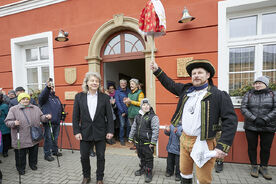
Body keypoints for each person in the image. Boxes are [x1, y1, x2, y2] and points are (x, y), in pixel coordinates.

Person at [150, 59, 238, 184]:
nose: (196, 75)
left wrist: (222, 146)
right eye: (194, 73)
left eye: (200, 72)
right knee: (184, 173)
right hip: (184, 139)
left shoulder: (218, 95)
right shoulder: (186, 90)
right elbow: (170, 84)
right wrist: (157, 70)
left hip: (204, 142)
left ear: (207, 75)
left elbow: (230, 120)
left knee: (203, 179)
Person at [72, 72, 114, 184]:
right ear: (87, 83)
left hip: (100, 132)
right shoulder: (79, 97)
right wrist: (76, 131)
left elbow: (109, 116)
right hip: (84, 132)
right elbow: (75, 116)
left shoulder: (105, 97)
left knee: (101, 156)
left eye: (97, 81)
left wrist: (110, 131)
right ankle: (86, 176)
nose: (95, 83)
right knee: (84, 156)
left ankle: (99, 178)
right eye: (92, 81)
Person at [5, 93, 51, 175]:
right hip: (20, 136)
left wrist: (46, 117)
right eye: (23, 99)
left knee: (34, 152)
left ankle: (33, 164)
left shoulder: (35, 108)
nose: (25, 100)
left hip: (34, 135)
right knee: (20, 154)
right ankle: (20, 168)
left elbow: (41, 117)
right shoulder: (13, 109)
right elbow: (7, 122)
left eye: (27, 99)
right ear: (19, 100)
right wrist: (14, 123)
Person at [241, 76, 276, 180]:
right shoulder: (249, 94)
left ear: (266, 84)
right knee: (252, 147)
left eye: (260, 83)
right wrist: (254, 119)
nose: (257, 85)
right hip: (251, 126)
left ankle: (264, 167)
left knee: (266, 148)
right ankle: (254, 166)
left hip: (268, 126)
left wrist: (265, 119)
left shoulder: (273, 94)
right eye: (256, 83)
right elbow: (243, 108)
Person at [128, 98, 159, 183]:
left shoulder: (153, 117)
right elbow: (134, 127)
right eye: (144, 105)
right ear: (141, 106)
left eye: (147, 105)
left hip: (147, 143)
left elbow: (156, 130)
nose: (146, 106)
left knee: (148, 158)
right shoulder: (137, 116)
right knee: (141, 157)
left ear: (150, 106)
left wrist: (153, 142)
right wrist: (131, 137)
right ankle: (142, 169)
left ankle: (148, 173)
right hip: (138, 142)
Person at [39, 79, 63, 162]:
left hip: (56, 121)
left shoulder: (56, 98)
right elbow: (42, 95)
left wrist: (61, 115)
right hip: (48, 122)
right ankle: (47, 154)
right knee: (48, 138)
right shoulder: (44, 98)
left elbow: (60, 108)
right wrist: (47, 88)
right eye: (50, 87)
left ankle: (54, 151)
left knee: (55, 138)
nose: (52, 88)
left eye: (53, 87)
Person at [124, 78, 144, 150]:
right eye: (130, 84)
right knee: (133, 130)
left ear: (136, 85)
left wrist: (131, 101)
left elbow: (141, 103)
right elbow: (128, 105)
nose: (131, 85)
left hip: (137, 114)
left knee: (138, 130)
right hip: (131, 114)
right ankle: (136, 144)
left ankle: (139, 144)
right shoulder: (129, 93)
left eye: (132, 84)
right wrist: (127, 102)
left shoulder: (140, 93)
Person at [114, 79, 131, 146]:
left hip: (128, 112)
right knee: (122, 125)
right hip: (121, 112)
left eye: (124, 83)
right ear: (120, 84)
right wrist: (122, 111)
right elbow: (117, 102)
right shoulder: (117, 92)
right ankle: (121, 139)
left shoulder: (129, 91)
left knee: (129, 125)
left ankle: (128, 137)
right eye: (122, 83)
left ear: (126, 84)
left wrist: (127, 111)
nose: (123, 84)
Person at [0, 93, 10, 157]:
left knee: (5, 139)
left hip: (4, 126)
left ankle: (5, 152)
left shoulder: (4, 106)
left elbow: (8, 116)